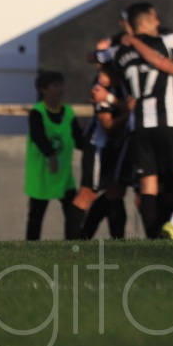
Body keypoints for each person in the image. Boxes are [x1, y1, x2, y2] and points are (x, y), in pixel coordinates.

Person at [103, 0, 173, 240]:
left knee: (148, 186)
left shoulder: (117, 51)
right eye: (156, 18)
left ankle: (154, 241)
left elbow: (93, 57)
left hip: (138, 126)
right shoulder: (164, 41)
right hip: (168, 122)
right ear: (148, 21)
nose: (159, 22)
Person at [25, 71, 84, 240]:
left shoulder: (68, 112)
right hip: (42, 174)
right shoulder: (37, 112)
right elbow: (38, 136)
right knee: (36, 216)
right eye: (55, 86)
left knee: (72, 213)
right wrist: (50, 155)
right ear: (43, 89)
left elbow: (78, 139)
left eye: (61, 85)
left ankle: (73, 247)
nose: (60, 89)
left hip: (63, 174)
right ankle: (30, 250)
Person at [77, 67, 131, 239]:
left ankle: (110, 240)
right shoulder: (100, 87)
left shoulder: (127, 83)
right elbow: (107, 125)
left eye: (103, 70)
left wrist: (113, 100)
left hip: (121, 145)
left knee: (115, 192)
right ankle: (73, 241)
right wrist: (127, 112)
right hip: (99, 145)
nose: (99, 75)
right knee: (88, 193)